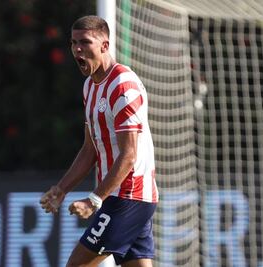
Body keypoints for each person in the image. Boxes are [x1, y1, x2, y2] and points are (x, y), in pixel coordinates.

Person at [40, 15, 158, 267]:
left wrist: (94, 200)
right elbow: (90, 148)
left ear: (104, 46)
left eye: (85, 42)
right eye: (73, 43)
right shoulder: (89, 87)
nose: (77, 49)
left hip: (128, 195)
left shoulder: (123, 85)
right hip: (126, 198)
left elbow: (129, 156)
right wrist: (61, 189)